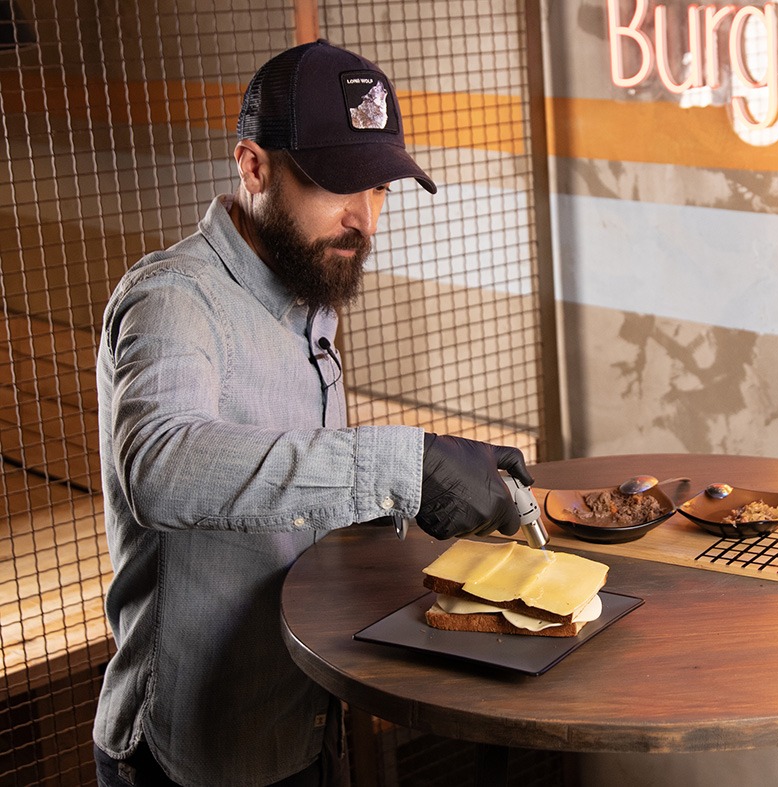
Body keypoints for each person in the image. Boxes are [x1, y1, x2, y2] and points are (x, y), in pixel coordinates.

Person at [92, 39, 533, 787]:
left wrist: (421, 496)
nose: (364, 219)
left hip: (303, 718)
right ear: (253, 167)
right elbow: (162, 466)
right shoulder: (174, 299)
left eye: (380, 188)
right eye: (337, 186)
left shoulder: (308, 292)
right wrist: (406, 465)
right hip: (193, 756)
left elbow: (292, 491)